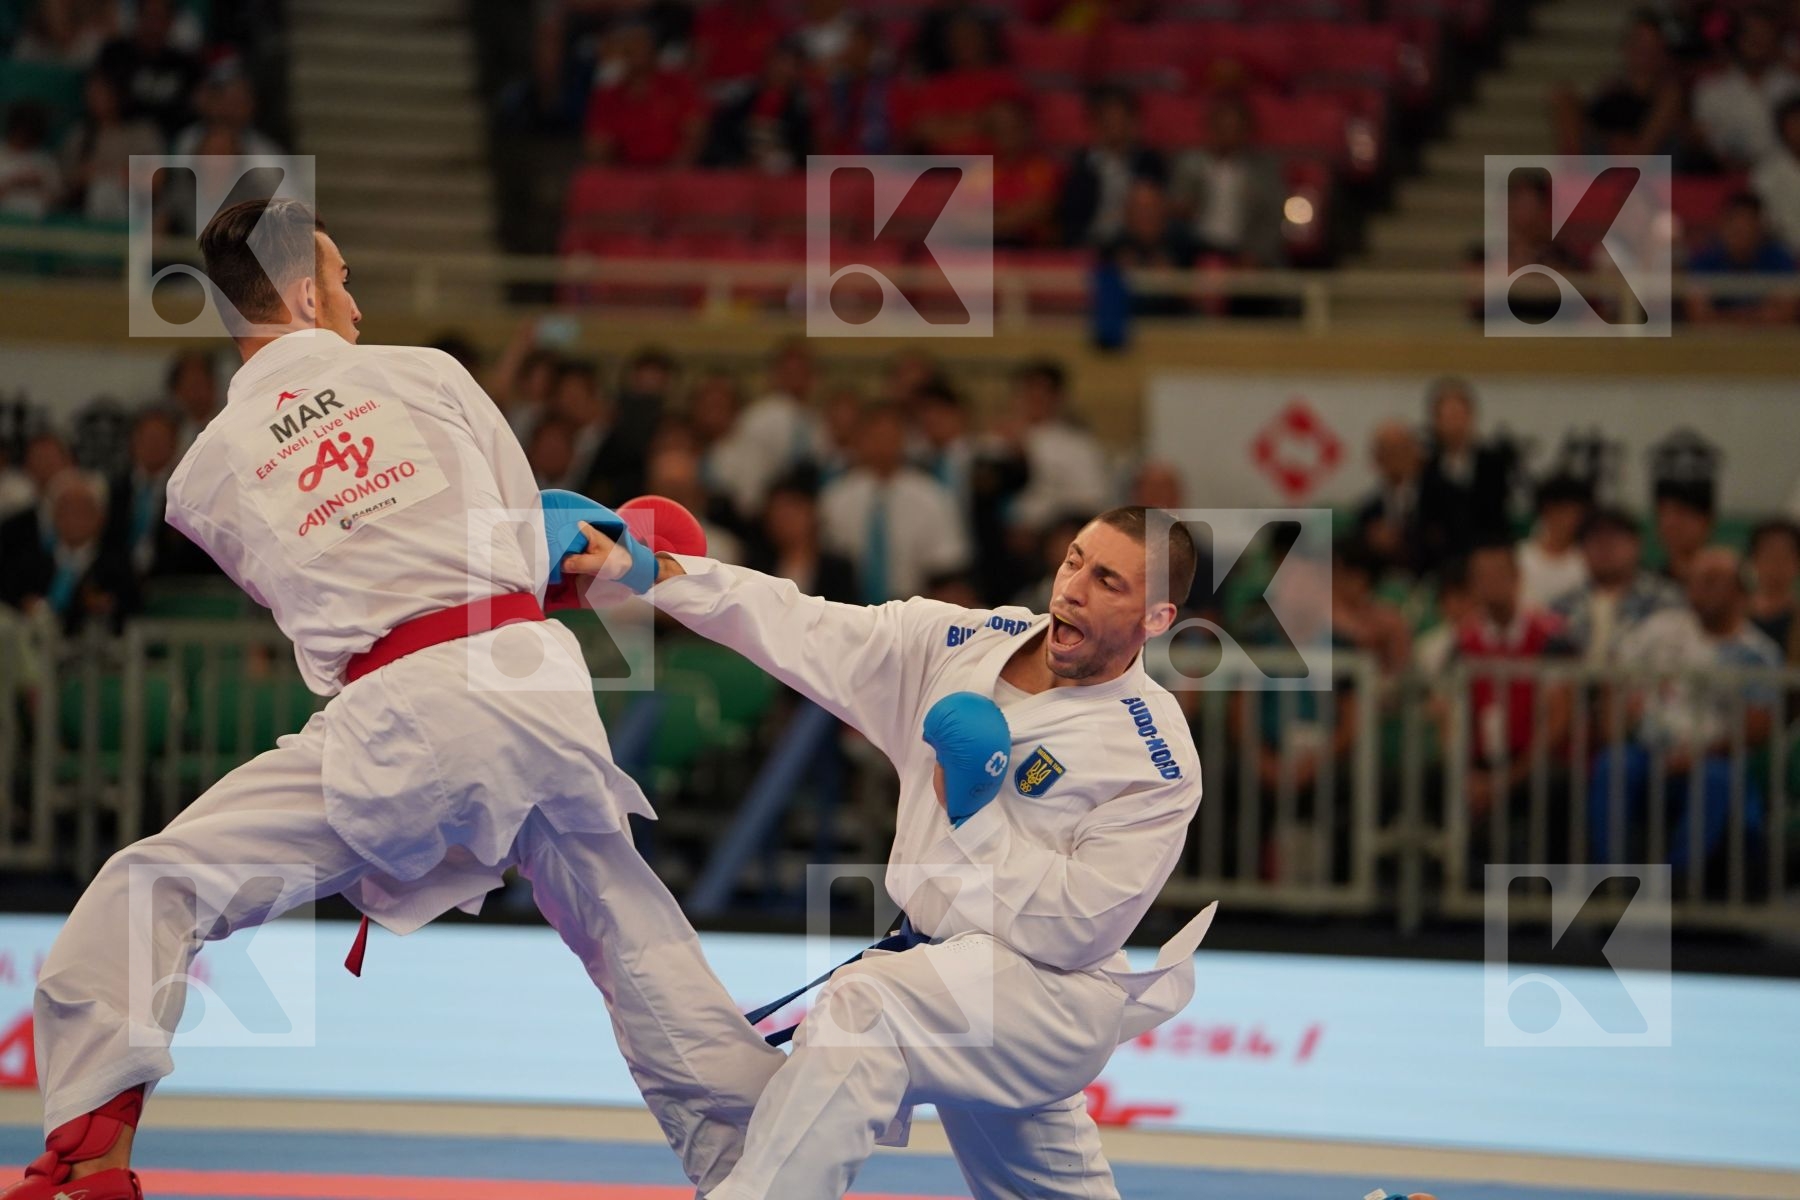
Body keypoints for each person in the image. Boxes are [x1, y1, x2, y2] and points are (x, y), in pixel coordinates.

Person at [0, 198, 784, 1200]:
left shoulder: (197, 477)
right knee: (632, 938)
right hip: (528, 691)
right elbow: (521, 538)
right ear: (300, 291)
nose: (356, 301)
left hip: (395, 723)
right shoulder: (430, 373)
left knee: (155, 885)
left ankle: (91, 1155)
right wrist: (602, 557)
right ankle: (768, 1165)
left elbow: (320, 587)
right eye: (344, 277)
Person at [564, 505, 1214, 1200]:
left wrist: (975, 819)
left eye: (1109, 581)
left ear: (1155, 620)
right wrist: (656, 573)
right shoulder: (962, 641)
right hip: (943, 968)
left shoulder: (1154, 760)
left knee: (869, 1005)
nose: (1074, 588)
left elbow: (1080, 929)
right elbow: (802, 623)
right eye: (1074, 560)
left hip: (1048, 997)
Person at [1591, 547, 1781, 867]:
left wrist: (1699, 754)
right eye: (1694, 580)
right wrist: (1617, 721)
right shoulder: (1659, 629)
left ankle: (1678, 877)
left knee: (1718, 778)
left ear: (1739, 591)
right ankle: (1610, 873)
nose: (1699, 588)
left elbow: (1758, 726)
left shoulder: (1757, 653)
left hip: (1712, 757)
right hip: (1648, 750)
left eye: (1711, 581)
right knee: (1614, 764)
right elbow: (1616, 678)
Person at [820, 403, 970, 602]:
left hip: (916, 608)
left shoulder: (932, 497)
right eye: (875, 436)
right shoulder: (835, 498)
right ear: (860, 439)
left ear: (904, 439)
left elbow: (947, 569)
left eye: (890, 436)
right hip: (849, 608)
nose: (883, 444)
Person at [1549, 507, 1684, 665]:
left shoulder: (1666, 600)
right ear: (1581, 550)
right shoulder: (1561, 607)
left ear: (1637, 544)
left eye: (1614, 539)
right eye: (1596, 540)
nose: (1605, 548)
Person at [1168, 94, 1287, 267]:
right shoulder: (1190, 164)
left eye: (1234, 129)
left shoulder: (1263, 170)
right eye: (1221, 128)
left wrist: (1255, 254)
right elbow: (1176, 207)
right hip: (1196, 247)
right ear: (1210, 128)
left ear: (1246, 132)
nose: (1227, 135)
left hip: (1244, 249)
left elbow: (1273, 218)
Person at [1693, 3, 1800, 169]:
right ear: (1737, 38)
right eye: (1750, 34)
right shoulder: (1710, 90)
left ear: (1775, 40)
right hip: (1728, 180)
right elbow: (1703, 145)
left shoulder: (1793, 87)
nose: (1756, 41)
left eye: (1764, 34)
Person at [1684, 191, 1800, 325]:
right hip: (1716, 344)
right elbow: (1700, 317)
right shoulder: (1703, 260)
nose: (1741, 233)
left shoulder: (1781, 260)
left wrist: (1725, 319)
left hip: (1768, 343)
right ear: (1722, 224)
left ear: (1760, 226)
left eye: (1747, 225)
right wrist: (1753, 319)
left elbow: (1783, 315)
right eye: (1735, 226)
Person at [1355, 420, 1425, 577]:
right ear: (1377, 458)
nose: (1397, 458)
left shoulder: (1442, 496)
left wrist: (1402, 539)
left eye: (1403, 449)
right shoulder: (1369, 508)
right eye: (1389, 451)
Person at [1516, 475, 1593, 610]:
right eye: (1561, 511)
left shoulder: (1590, 561)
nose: (1569, 520)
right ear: (1545, 511)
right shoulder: (1519, 556)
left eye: (1576, 513)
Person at [1746, 516, 1800, 658]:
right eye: (1768, 554)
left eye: (1784, 556)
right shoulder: (1734, 616)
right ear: (1754, 559)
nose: (1776, 565)